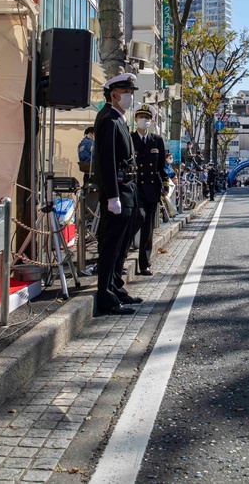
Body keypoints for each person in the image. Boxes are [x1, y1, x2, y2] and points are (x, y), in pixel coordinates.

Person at [93, 73, 142, 315]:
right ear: (114, 94)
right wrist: (112, 195)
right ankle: (106, 295)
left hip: (128, 188)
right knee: (111, 245)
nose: (130, 97)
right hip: (118, 189)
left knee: (122, 243)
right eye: (127, 93)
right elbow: (107, 162)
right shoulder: (108, 120)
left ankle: (115, 286)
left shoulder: (119, 119)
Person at [131, 105, 168, 276]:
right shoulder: (130, 139)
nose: (144, 120)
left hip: (152, 188)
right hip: (134, 188)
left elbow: (161, 166)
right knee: (135, 221)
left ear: (152, 121)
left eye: (147, 117)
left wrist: (165, 185)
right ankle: (120, 258)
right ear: (135, 119)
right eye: (140, 117)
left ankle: (144, 264)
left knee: (148, 228)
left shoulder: (157, 140)